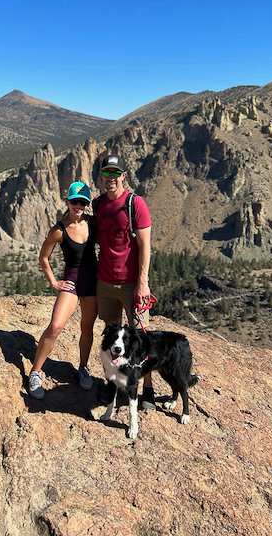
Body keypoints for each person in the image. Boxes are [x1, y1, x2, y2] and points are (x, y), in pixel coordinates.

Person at [94, 153, 155, 409]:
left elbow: (145, 246)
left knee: (140, 339)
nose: (111, 177)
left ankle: (147, 390)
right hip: (105, 283)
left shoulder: (135, 203)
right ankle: (115, 387)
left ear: (123, 176)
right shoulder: (97, 205)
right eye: (107, 172)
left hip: (131, 285)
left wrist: (142, 283)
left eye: (115, 173)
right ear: (102, 175)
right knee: (112, 339)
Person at [28, 181, 97, 400]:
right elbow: (43, 257)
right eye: (75, 201)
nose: (79, 205)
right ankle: (35, 372)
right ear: (67, 201)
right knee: (56, 326)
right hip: (73, 282)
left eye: (83, 202)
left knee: (87, 328)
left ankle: (83, 368)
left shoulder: (92, 223)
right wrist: (54, 282)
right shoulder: (58, 231)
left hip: (92, 282)